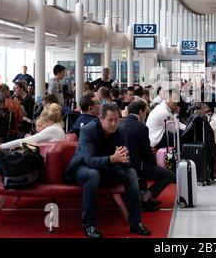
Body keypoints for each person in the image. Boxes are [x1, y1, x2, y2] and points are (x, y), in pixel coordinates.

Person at [64, 102, 151, 238]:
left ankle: (136, 222)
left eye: (117, 120)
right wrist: (113, 159)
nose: (114, 124)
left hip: (108, 168)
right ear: (101, 118)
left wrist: (124, 160)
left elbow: (125, 161)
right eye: (110, 120)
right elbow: (90, 161)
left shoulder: (121, 130)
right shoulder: (88, 130)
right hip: (83, 168)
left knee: (131, 173)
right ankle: (89, 225)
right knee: (93, 174)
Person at [0, 104, 65, 202]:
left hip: (31, 170)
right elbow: (39, 147)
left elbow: (23, 142)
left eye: (43, 124)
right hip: (34, 167)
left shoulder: (53, 130)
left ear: (49, 121)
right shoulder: (59, 131)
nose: (41, 128)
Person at [118, 100, 175, 211]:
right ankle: (145, 197)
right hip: (138, 166)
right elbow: (146, 152)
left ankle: (143, 196)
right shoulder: (141, 127)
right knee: (169, 175)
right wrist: (154, 164)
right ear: (141, 112)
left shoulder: (120, 124)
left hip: (123, 165)